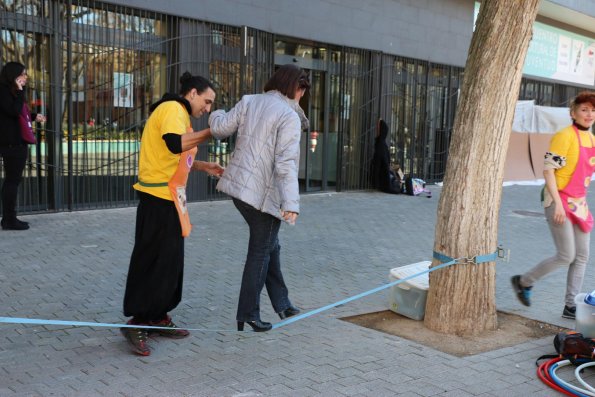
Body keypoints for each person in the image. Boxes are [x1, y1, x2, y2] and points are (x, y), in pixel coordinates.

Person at [121, 72, 223, 356]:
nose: (208, 108)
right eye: (207, 101)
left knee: (169, 263)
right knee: (153, 261)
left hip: (169, 199)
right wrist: (213, 131)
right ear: (191, 93)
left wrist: (203, 166)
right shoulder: (172, 109)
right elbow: (174, 143)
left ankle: (157, 316)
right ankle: (138, 321)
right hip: (157, 199)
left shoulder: (179, 114)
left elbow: (176, 155)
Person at [208, 64, 309, 332]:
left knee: (270, 245)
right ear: (296, 88)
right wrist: (291, 204)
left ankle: (282, 302)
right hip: (262, 196)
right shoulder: (288, 116)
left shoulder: (250, 101)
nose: (302, 97)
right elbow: (285, 163)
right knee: (261, 250)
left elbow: (219, 128)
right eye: (303, 91)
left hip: (239, 191)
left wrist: (217, 110)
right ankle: (248, 313)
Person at [512, 91, 595, 320]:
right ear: (573, 112)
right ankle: (524, 281)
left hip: (579, 202)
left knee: (582, 256)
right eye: (584, 109)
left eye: (593, 110)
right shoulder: (564, 136)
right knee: (566, 255)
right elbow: (548, 170)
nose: (589, 114)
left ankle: (571, 306)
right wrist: (558, 205)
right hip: (557, 198)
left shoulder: (592, 140)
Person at [0, 62, 46, 230]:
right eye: (23, 74)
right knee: (12, 181)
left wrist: (34, 117)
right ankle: (9, 220)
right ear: (14, 76)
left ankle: (9, 218)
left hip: (16, 142)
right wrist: (20, 92)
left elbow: (18, 113)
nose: (26, 77)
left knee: (12, 180)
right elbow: (12, 111)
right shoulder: (4, 91)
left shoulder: (10, 92)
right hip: (12, 143)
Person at [372, 119, 401, 194]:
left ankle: (402, 181)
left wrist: (375, 183)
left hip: (384, 180)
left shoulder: (380, 145)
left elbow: (378, 165)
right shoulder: (382, 144)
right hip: (386, 177)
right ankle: (402, 181)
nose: (376, 130)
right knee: (397, 169)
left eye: (378, 128)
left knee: (397, 168)